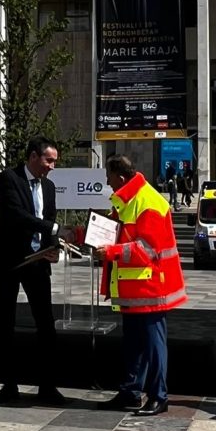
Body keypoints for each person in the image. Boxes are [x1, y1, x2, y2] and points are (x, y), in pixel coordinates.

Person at [93, 154, 186, 417]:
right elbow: (116, 233)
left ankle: (159, 396)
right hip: (135, 290)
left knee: (153, 346)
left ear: (120, 177)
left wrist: (110, 251)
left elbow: (148, 249)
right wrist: (83, 235)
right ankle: (131, 392)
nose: (108, 183)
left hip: (151, 288)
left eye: (108, 178)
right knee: (134, 344)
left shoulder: (148, 201)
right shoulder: (129, 200)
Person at [0, 135, 66, 406]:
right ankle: (9, 385)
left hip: (37, 262)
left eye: (54, 161)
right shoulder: (9, 179)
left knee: (46, 322)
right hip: (9, 262)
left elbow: (51, 219)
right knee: (6, 321)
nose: (52, 166)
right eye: (49, 160)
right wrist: (52, 230)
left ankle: (47, 386)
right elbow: (15, 214)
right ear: (33, 156)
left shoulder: (49, 186)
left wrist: (53, 246)